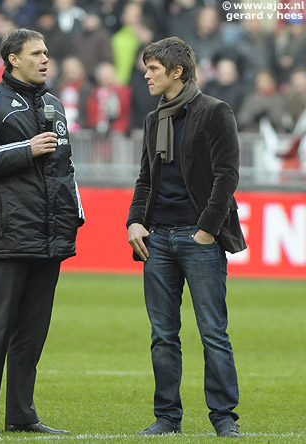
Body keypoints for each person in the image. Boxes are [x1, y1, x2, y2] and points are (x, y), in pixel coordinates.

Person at [0, 28, 85, 435]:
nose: (46, 59)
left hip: (50, 235)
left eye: (47, 52)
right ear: (12, 58)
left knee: (32, 333)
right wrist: (24, 148)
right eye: (37, 53)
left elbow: (64, 168)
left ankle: (21, 415)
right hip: (8, 234)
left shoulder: (54, 105)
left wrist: (74, 215)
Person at [126, 37, 246, 438]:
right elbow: (146, 178)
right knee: (163, 335)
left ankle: (224, 417)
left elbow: (226, 177)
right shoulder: (152, 119)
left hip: (198, 240)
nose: (146, 75)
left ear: (177, 72)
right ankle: (167, 417)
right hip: (156, 238)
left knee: (213, 331)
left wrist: (207, 231)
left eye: (153, 68)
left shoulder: (215, 112)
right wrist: (134, 222)